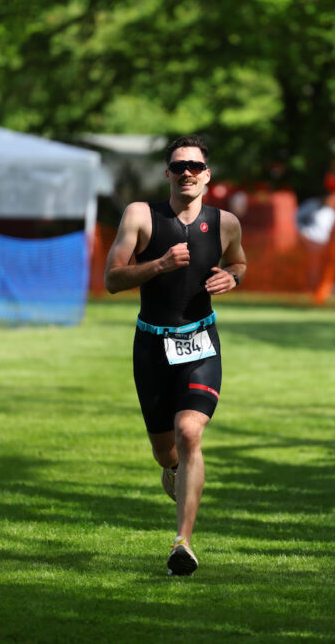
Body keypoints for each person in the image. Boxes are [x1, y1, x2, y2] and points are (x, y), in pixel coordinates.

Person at [104, 134, 247, 577]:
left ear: (207, 175)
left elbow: (239, 262)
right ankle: (172, 470)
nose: (188, 172)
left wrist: (233, 278)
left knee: (189, 433)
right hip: (151, 346)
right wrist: (160, 265)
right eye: (179, 166)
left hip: (200, 342)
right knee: (165, 451)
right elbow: (112, 279)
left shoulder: (225, 223)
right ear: (167, 173)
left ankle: (182, 542)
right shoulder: (140, 215)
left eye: (195, 166)